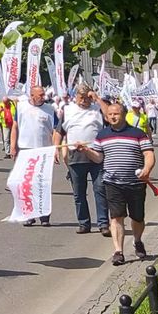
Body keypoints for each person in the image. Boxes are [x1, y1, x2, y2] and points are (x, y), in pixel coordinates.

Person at [73, 102, 155, 266]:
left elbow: (148, 154)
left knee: (137, 217)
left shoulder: (138, 134)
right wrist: (86, 150)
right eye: (109, 114)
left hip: (135, 182)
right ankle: (119, 251)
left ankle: (137, 241)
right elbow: (99, 158)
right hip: (112, 182)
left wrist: (146, 169)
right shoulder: (102, 135)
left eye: (116, 114)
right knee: (116, 217)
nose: (112, 117)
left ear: (123, 114)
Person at [54, 86, 109, 236]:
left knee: (100, 189)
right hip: (75, 156)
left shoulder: (97, 108)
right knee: (79, 193)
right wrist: (55, 149)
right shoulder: (68, 110)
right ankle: (84, 223)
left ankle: (104, 224)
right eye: (81, 97)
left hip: (96, 154)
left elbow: (110, 116)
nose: (84, 101)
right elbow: (59, 131)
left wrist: (97, 98)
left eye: (87, 98)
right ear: (76, 97)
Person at [11, 85, 58, 226]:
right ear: (32, 95)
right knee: (27, 184)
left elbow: (55, 130)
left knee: (42, 183)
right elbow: (15, 126)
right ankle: (29, 214)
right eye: (40, 95)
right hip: (26, 149)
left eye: (43, 95)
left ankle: (44, 216)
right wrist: (13, 146)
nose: (43, 97)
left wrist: (55, 148)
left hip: (44, 150)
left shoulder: (49, 109)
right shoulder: (21, 107)